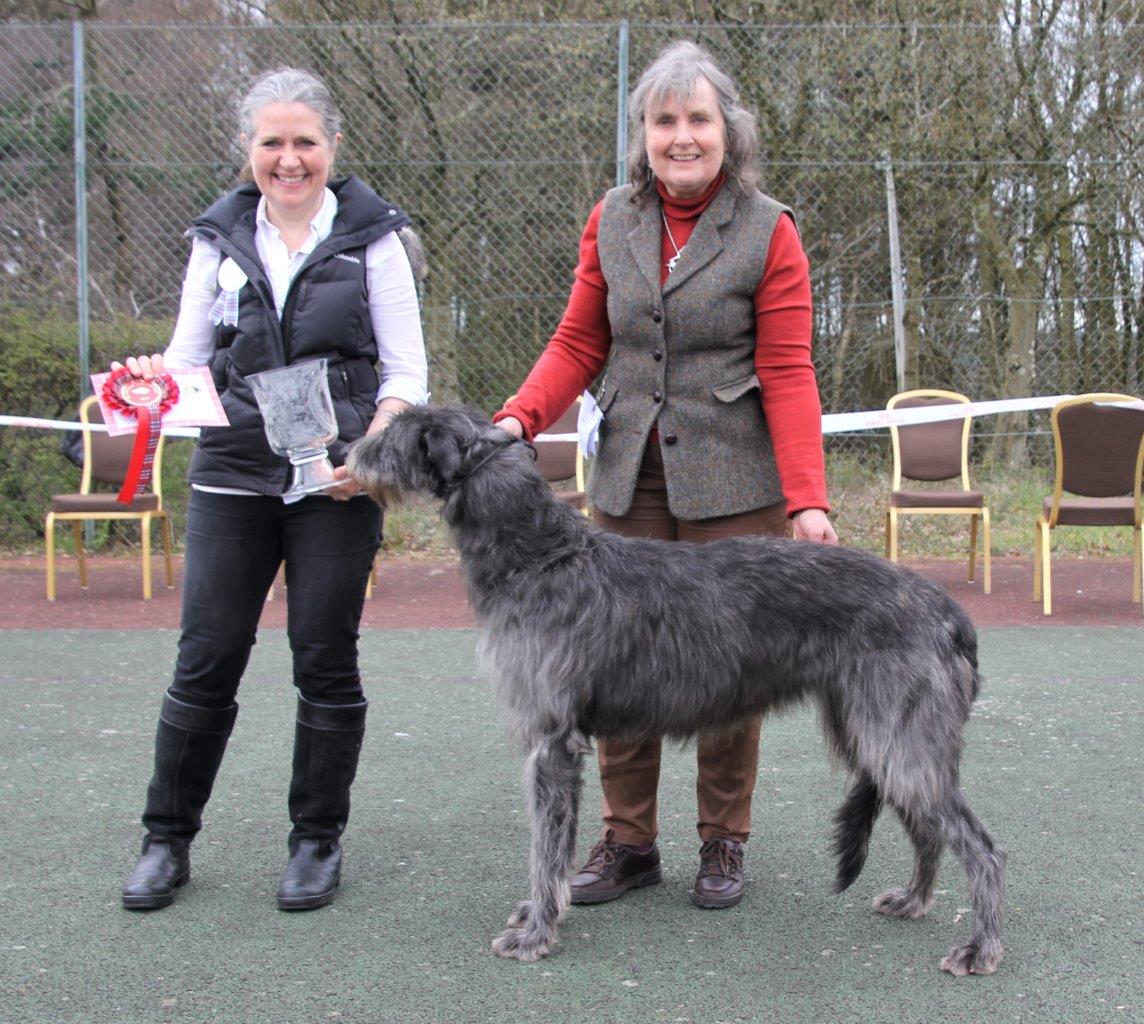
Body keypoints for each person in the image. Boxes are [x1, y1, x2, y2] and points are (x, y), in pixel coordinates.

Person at [494, 41, 838, 911]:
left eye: (698, 120)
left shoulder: (769, 228)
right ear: (642, 133)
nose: (681, 137)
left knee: (730, 667)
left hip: (736, 481)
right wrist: (517, 420)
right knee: (611, 658)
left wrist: (807, 502)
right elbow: (579, 341)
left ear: (728, 131)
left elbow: (790, 369)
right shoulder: (611, 218)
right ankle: (627, 842)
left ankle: (723, 840)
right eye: (664, 121)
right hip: (627, 477)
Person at [116, 67, 428, 912]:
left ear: (331, 148)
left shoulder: (377, 240)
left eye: (305, 143)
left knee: (324, 659)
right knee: (207, 656)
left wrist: (366, 454)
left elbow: (406, 376)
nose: (289, 160)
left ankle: (315, 842)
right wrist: (156, 380)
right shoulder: (215, 240)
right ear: (249, 151)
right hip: (231, 476)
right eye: (272, 143)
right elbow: (184, 366)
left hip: (334, 483)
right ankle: (165, 841)